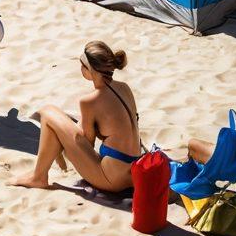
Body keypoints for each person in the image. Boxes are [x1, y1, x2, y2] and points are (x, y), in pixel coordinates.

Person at [12, 41, 140, 191]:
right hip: (132, 173)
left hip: (111, 180)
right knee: (59, 121)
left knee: (47, 112)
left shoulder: (89, 101)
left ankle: (38, 177)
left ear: (90, 70)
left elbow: (87, 143)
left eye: (82, 66)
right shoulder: (125, 88)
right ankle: (41, 170)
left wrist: (61, 143)